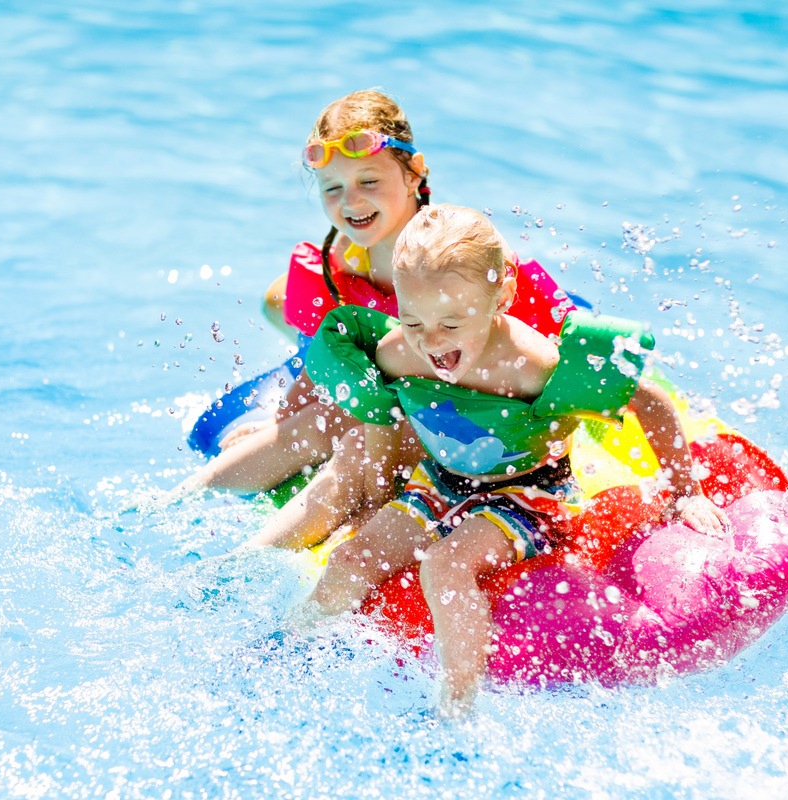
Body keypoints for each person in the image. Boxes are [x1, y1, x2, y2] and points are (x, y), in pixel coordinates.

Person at [300, 205, 729, 717]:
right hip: (438, 480)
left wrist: (686, 493)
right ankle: (292, 653)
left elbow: (649, 402)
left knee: (446, 566)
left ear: (500, 296)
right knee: (351, 559)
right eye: (413, 319)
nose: (431, 341)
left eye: (450, 322)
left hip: (528, 493)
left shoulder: (531, 364)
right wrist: (381, 493)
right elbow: (387, 417)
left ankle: (456, 708)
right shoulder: (398, 351)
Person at [164, 90, 575, 550]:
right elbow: (326, 358)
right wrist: (280, 418)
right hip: (387, 394)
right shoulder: (339, 264)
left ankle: (251, 540)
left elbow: (558, 350)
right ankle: (176, 505)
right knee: (306, 380)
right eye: (332, 188)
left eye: (368, 182)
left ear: (415, 171)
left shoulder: (460, 260)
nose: (351, 202)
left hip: (455, 415)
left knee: (338, 422)